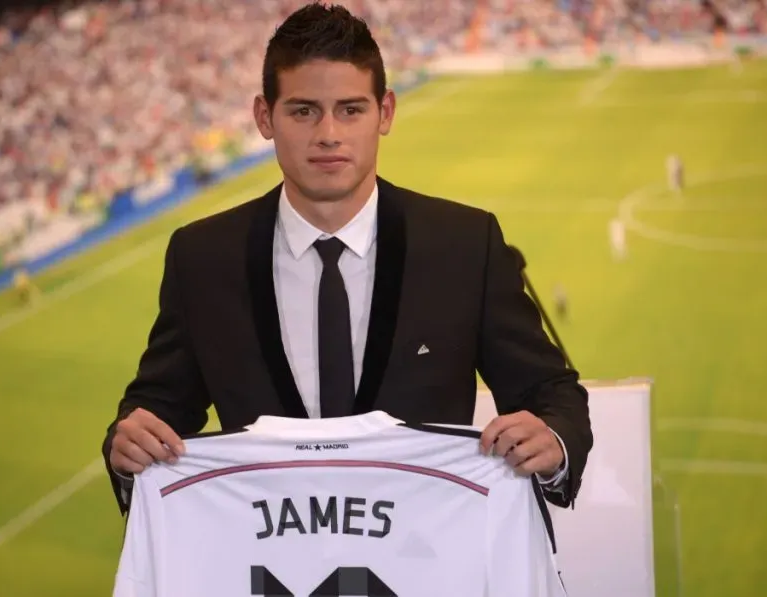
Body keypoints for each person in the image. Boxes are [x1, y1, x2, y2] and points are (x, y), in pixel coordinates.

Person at [103, 2, 592, 515]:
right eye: (303, 110)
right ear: (264, 117)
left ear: (385, 113)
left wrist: (553, 441)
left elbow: (553, 394)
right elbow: (154, 411)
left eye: (351, 109)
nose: (328, 133)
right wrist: (128, 444)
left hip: (428, 564)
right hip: (266, 565)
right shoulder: (202, 257)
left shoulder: (465, 244)